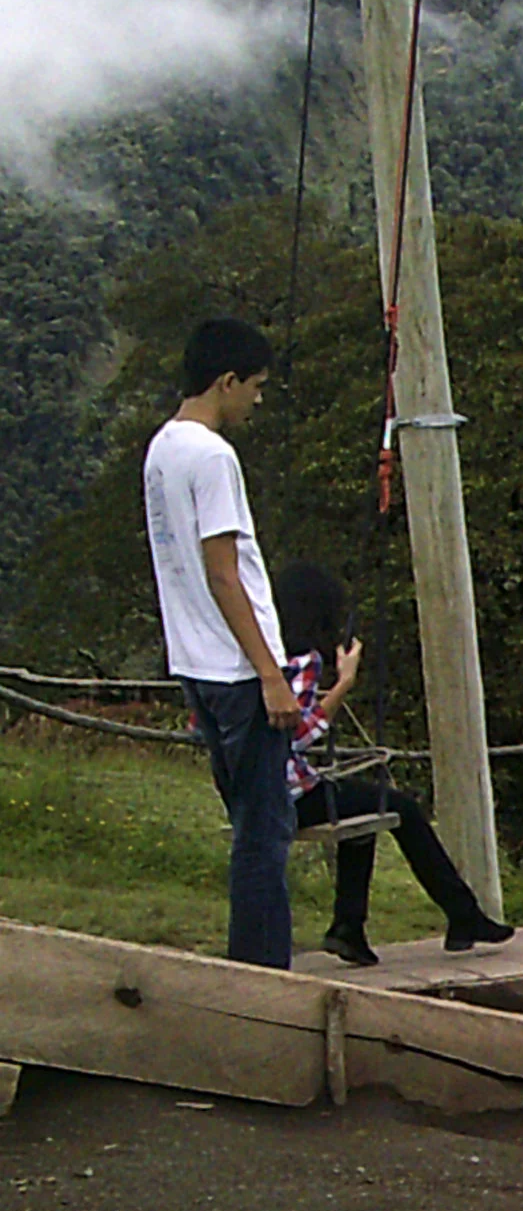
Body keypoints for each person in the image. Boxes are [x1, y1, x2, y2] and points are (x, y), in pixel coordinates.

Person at [144, 318, 296, 966]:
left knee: (249, 827)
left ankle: (251, 969)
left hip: (195, 663)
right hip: (237, 670)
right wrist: (270, 673)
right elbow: (222, 569)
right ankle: (264, 980)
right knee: (265, 835)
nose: (257, 400)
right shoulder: (212, 455)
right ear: (225, 381)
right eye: (254, 386)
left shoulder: (161, 449)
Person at [271, 563, 515, 965]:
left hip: (255, 789)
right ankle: (463, 915)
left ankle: (350, 927)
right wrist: (345, 683)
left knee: (366, 815)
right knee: (400, 807)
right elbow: (295, 733)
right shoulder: (304, 660)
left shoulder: (262, 654)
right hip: (290, 796)